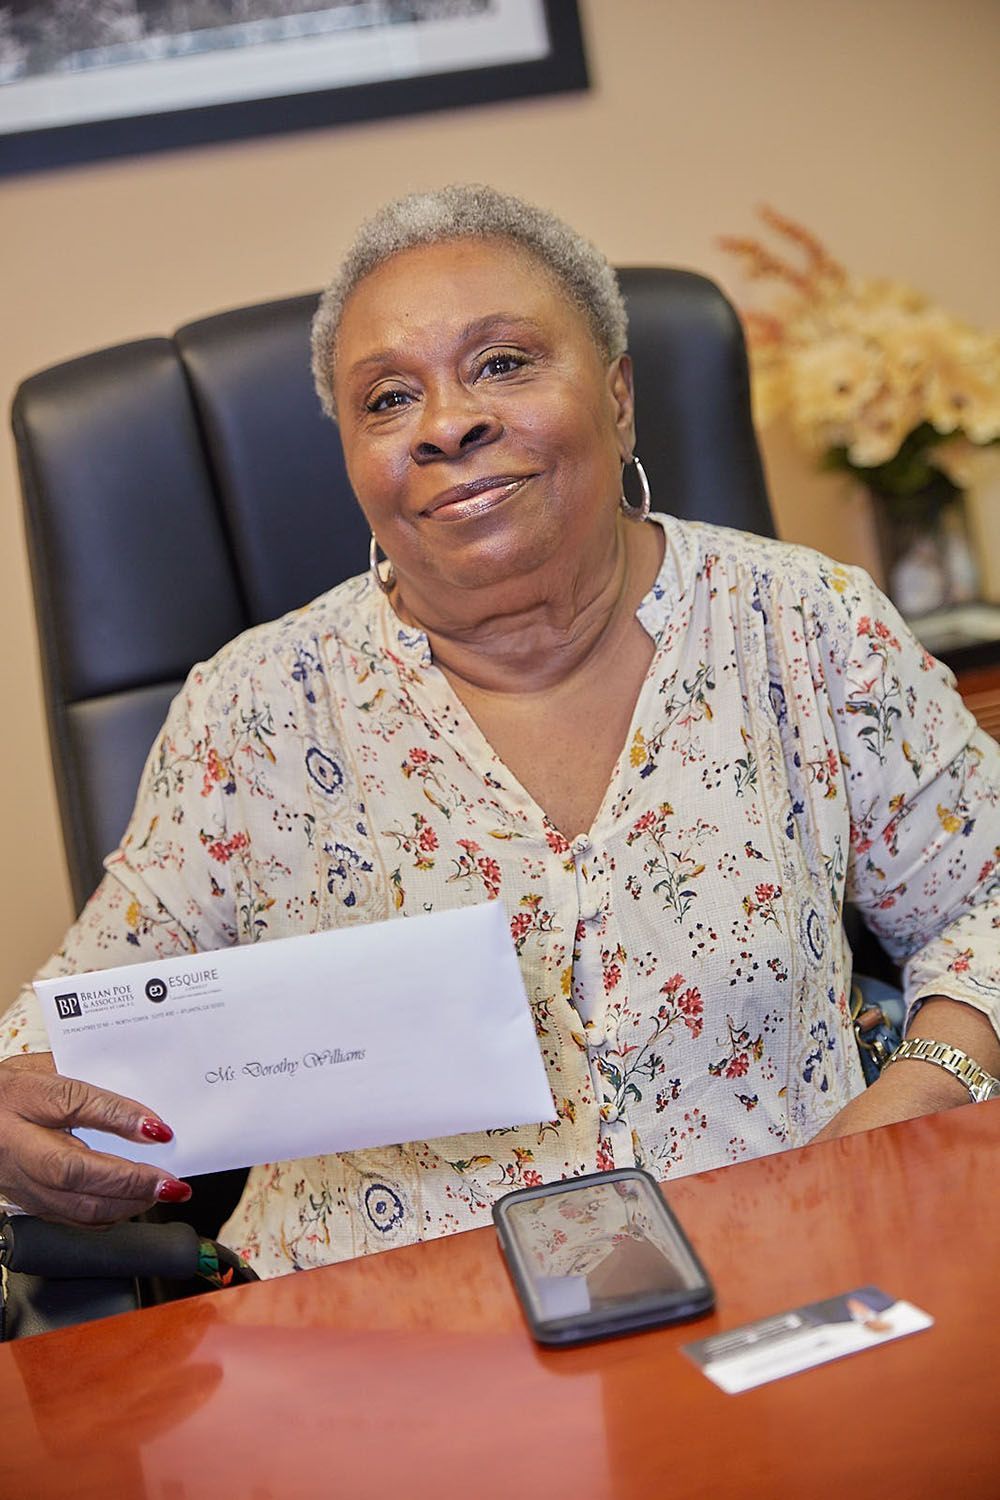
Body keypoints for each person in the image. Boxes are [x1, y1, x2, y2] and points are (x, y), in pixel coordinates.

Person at [1, 186, 998, 1278]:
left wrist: (919, 1097)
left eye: (504, 363)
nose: (446, 424)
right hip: (381, 1333)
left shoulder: (809, 626)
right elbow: (69, 1038)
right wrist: (19, 1117)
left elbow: (984, 901)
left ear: (618, 398)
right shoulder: (252, 712)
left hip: (795, 1270)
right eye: (388, 398)